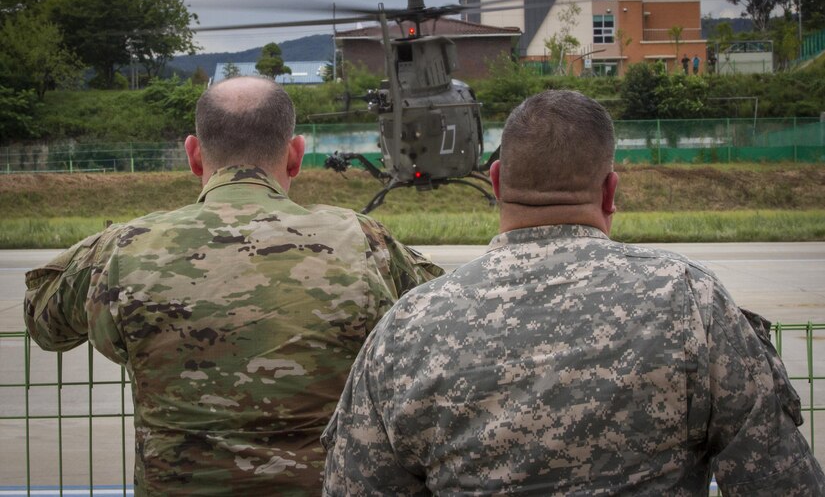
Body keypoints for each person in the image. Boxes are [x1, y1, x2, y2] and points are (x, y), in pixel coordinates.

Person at [322, 90, 825, 496]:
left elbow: (356, 484)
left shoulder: (408, 325)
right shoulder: (692, 302)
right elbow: (779, 480)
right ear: (610, 191)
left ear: (496, 182)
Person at [24, 76, 442, 496]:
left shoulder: (126, 248)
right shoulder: (365, 241)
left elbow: (45, 323)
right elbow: (443, 320)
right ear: (296, 155)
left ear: (193, 155)